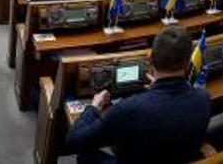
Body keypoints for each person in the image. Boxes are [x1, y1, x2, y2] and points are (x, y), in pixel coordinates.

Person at [64, 25, 210, 164]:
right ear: (188, 65)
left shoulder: (128, 109)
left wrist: (93, 107)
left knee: (85, 152)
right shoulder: (203, 98)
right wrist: (157, 88)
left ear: (150, 60)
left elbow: (73, 141)